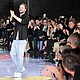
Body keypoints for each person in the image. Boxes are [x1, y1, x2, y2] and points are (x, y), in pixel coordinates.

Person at [10, 3, 29, 77]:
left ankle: (18, 71)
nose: (20, 8)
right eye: (20, 7)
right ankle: (21, 67)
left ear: (25, 9)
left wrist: (14, 16)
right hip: (15, 39)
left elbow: (22, 21)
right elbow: (11, 21)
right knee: (12, 54)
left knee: (20, 56)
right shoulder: (17, 16)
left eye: (22, 7)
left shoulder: (27, 17)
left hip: (22, 39)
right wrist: (12, 15)